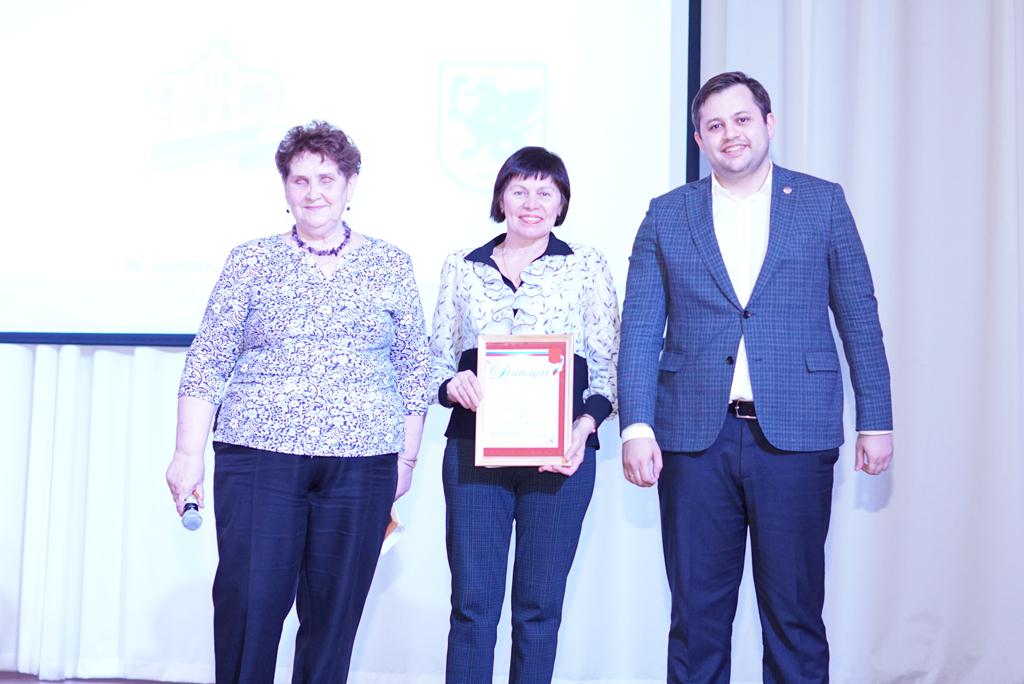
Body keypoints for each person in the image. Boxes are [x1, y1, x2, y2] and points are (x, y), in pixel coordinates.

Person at [618, 72, 894, 683]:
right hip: (693, 441)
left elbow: (859, 316)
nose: (730, 134)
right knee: (696, 620)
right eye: (714, 125)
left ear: (768, 124)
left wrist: (876, 419)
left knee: (795, 616)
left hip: (795, 439)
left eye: (742, 119)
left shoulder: (822, 203)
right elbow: (638, 328)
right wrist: (636, 426)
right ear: (699, 139)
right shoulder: (667, 214)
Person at [164, 121, 430, 683]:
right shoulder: (250, 261)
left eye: (327, 179)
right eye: (300, 180)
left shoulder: (391, 264)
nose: (314, 192)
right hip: (258, 457)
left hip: (362, 463)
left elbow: (413, 368)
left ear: (350, 184)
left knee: (334, 618)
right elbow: (208, 359)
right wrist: (187, 455)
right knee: (248, 605)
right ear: (284, 187)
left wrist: (406, 460)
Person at [429, 146, 619, 683]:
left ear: (561, 203)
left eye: (544, 192)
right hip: (473, 457)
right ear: (500, 199)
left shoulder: (586, 264)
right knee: (472, 605)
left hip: (560, 458)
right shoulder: (462, 266)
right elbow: (435, 359)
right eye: (519, 190)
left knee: (539, 608)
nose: (531, 203)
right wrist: (451, 383)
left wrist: (585, 425)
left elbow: (608, 363)